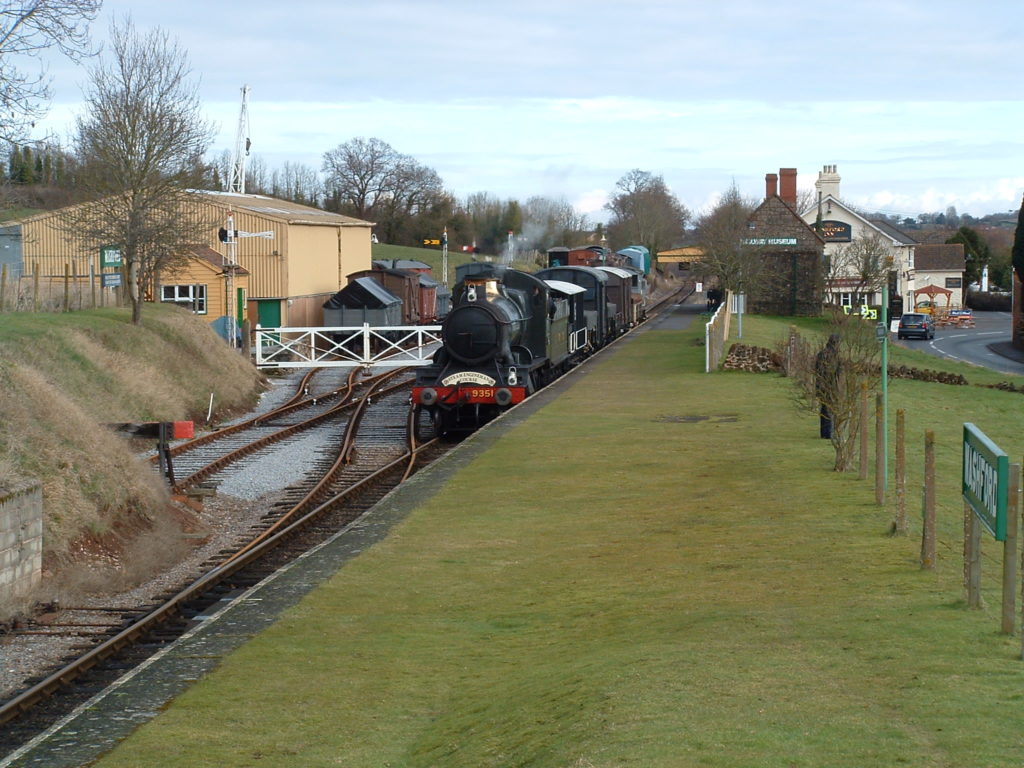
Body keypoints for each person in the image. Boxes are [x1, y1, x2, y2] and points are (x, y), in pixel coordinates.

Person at [814, 334, 841, 439]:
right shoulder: (833, 355)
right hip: (829, 385)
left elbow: (817, 369)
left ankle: (824, 432)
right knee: (829, 409)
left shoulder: (821, 353)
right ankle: (828, 433)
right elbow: (834, 371)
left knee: (824, 408)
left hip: (821, 385)